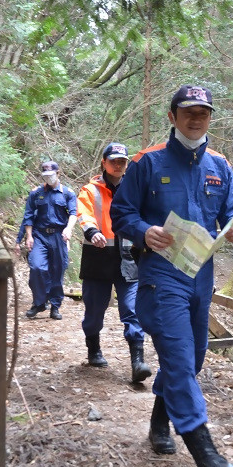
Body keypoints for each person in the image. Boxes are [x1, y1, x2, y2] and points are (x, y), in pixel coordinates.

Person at [111, 86, 233, 467]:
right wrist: (143, 230)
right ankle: (208, 458)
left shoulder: (220, 166)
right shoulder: (147, 163)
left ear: (210, 118)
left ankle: (159, 420)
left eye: (203, 112)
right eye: (188, 112)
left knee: (194, 358)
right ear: (172, 116)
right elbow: (121, 212)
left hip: (201, 273)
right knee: (177, 353)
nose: (196, 119)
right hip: (161, 273)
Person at [77, 143, 152, 384]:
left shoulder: (135, 188)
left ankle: (137, 361)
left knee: (132, 310)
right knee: (94, 312)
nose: (118, 165)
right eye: (114, 160)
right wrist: (91, 231)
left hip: (128, 259)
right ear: (104, 162)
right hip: (97, 259)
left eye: (123, 161)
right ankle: (93, 349)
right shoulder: (90, 190)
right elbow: (84, 214)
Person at [18, 160, 77, 320]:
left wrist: (68, 229)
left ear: (58, 174)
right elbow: (28, 215)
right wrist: (29, 236)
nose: (48, 178)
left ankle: (55, 306)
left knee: (57, 271)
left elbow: (73, 213)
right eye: (45, 176)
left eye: (51, 175)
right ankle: (39, 302)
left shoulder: (67, 193)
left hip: (59, 235)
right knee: (37, 267)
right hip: (39, 235)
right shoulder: (36, 193)